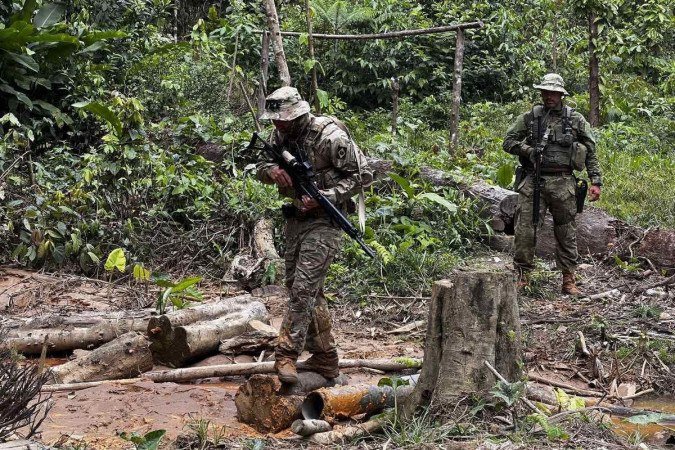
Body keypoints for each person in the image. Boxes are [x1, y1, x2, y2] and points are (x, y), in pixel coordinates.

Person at [256, 86, 373, 383]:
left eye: (281, 119)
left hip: (325, 222)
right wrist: (271, 171)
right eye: (274, 120)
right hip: (297, 218)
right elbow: (261, 162)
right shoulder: (279, 135)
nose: (276, 124)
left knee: (303, 291)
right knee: (305, 288)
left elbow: (364, 175)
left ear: (297, 115)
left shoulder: (330, 137)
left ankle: (286, 355)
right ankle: (325, 357)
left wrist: (327, 196)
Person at [503, 73, 602, 296]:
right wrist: (527, 151)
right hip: (533, 181)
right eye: (546, 92)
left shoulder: (576, 119)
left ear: (561, 95)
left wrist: (596, 181)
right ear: (541, 93)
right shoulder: (530, 117)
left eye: (554, 93)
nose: (549, 96)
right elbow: (508, 142)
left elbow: (591, 152)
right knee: (525, 229)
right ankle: (523, 276)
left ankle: (568, 279)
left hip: (564, 182)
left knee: (566, 231)